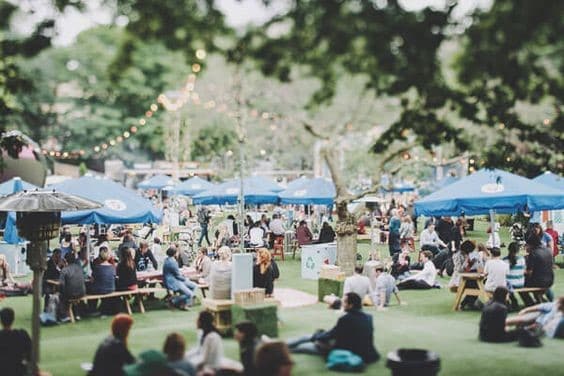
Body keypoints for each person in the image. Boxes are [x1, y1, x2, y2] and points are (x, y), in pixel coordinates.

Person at [287, 292, 380, 364]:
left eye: (344, 302)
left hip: (348, 351)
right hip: (368, 353)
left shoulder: (346, 319)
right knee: (310, 338)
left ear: (350, 305)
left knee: (305, 344)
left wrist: (316, 336)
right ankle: (285, 348)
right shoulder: (369, 317)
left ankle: (284, 349)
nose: (342, 304)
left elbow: (331, 335)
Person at [524, 232, 554, 305]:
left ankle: (532, 303)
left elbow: (529, 272)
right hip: (550, 280)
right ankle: (547, 301)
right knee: (542, 284)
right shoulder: (548, 250)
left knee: (522, 286)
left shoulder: (533, 253)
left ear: (531, 244)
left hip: (539, 282)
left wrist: (523, 273)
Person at [0, 307, 31, 376]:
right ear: (13, 319)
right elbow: (30, 356)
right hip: (18, 371)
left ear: (1, 321)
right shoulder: (22, 335)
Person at [58, 252, 86, 322]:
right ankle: (77, 314)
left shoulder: (64, 270)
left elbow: (61, 284)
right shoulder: (79, 268)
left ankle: (64, 315)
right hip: (82, 292)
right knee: (72, 294)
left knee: (60, 295)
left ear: (65, 260)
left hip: (70, 294)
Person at [90, 247, 117, 315]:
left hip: (100, 290)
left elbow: (92, 280)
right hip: (111, 289)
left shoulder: (97, 267)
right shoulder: (112, 267)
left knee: (90, 289)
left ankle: (92, 309)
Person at [504, 242, 526, 308]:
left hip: (509, 283)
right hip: (520, 283)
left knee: (506, 284)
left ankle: (513, 301)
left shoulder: (504, 260)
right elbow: (523, 270)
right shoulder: (522, 259)